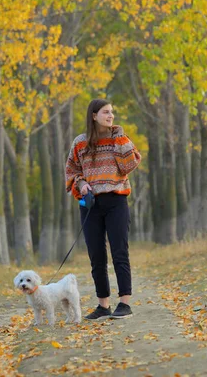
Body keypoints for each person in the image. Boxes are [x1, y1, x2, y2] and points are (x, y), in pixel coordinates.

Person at [65, 98, 141, 320]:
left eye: (112, 112)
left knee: (119, 251)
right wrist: (81, 183)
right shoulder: (80, 142)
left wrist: (120, 135)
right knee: (96, 255)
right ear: (94, 115)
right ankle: (103, 305)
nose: (111, 116)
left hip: (116, 201)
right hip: (91, 205)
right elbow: (71, 170)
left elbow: (130, 163)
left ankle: (125, 302)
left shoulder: (119, 138)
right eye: (106, 112)